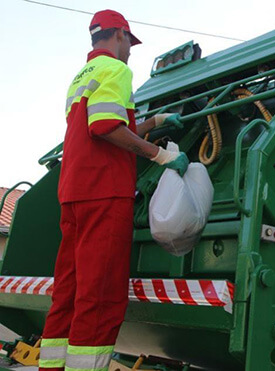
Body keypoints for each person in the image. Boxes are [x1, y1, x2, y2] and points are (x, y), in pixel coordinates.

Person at [38, 9, 188, 371]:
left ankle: (52, 367)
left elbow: (104, 125)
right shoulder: (117, 70)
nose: (131, 51)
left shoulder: (81, 76)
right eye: (130, 43)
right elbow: (105, 127)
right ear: (119, 35)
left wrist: (156, 121)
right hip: (104, 193)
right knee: (99, 295)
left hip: (74, 191)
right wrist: (159, 155)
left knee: (69, 292)